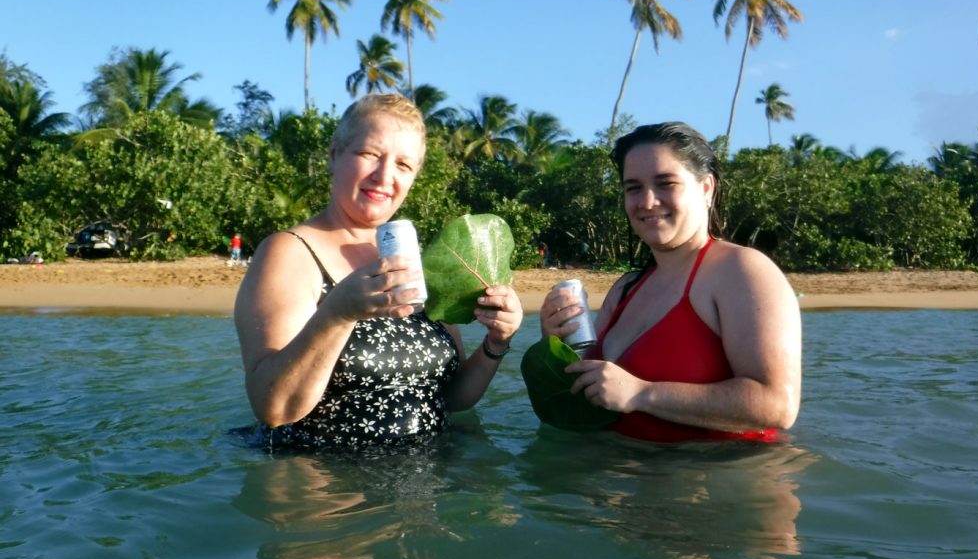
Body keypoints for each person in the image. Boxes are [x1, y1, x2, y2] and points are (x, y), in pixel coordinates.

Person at [234, 94, 523, 450]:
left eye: (403, 164)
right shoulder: (288, 252)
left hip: (424, 477)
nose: (385, 175)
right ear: (334, 155)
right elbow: (273, 408)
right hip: (324, 478)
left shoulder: (414, 260)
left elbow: (451, 397)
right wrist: (337, 314)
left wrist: (496, 343)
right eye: (370, 154)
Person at [539, 121, 801, 442]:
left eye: (666, 183)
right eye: (633, 188)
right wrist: (555, 344)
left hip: (720, 471)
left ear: (706, 188)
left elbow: (778, 405)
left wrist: (642, 393)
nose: (647, 201)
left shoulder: (741, 270)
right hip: (619, 467)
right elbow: (586, 392)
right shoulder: (625, 288)